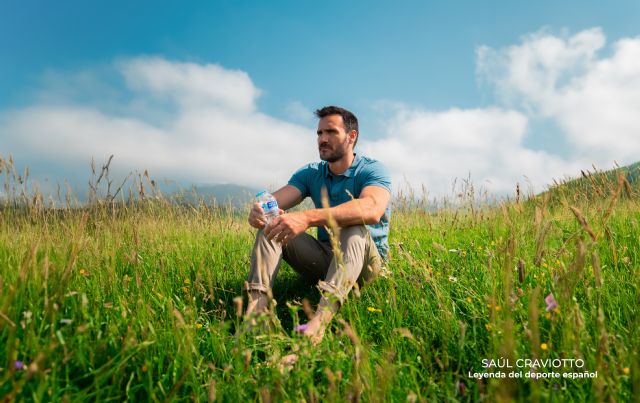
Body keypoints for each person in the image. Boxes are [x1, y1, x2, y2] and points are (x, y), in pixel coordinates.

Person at [245, 105, 392, 343]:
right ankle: (256, 314)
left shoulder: (372, 170)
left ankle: (319, 323)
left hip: (365, 265)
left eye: (330, 132)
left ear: (351, 136)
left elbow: (372, 209)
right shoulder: (311, 173)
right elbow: (276, 200)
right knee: (273, 224)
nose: (322, 139)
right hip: (324, 260)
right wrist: (259, 210)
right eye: (319, 134)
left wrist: (307, 217)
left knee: (352, 224)